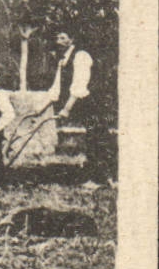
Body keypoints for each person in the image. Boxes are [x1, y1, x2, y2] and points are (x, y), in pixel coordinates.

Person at [38, 28, 111, 186]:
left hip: (94, 104)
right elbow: (56, 89)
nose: (59, 41)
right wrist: (40, 109)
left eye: (63, 37)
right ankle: (99, 176)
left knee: (97, 138)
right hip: (83, 105)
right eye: (57, 38)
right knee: (93, 138)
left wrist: (66, 109)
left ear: (71, 39)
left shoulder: (81, 56)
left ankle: (100, 179)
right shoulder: (62, 61)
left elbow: (79, 86)